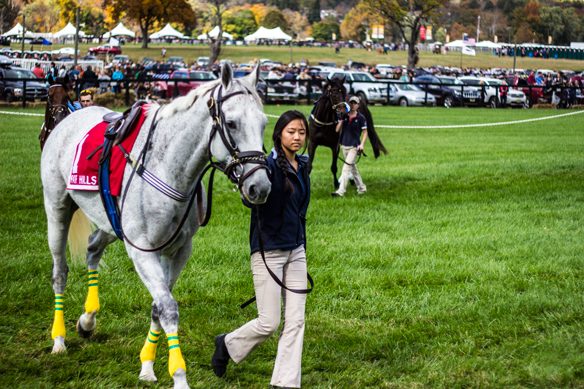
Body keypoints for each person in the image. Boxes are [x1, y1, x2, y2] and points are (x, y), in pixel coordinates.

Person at [212, 110, 311, 389]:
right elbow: (251, 197)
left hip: (296, 251)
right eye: (291, 131)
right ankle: (227, 344)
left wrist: (300, 241)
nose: (297, 137)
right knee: (269, 323)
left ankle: (284, 382)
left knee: (295, 320)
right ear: (279, 134)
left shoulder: (302, 165)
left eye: (301, 132)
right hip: (268, 251)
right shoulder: (265, 166)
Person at [332, 96, 367, 197]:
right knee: (353, 169)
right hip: (344, 145)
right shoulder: (344, 116)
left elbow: (365, 132)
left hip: (354, 147)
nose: (353, 105)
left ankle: (341, 191)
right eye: (351, 103)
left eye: (355, 103)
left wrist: (362, 145)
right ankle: (362, 188)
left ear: (358, 105)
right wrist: (342, 120)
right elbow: (337, 130)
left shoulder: (361, 118)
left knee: (345, 168)